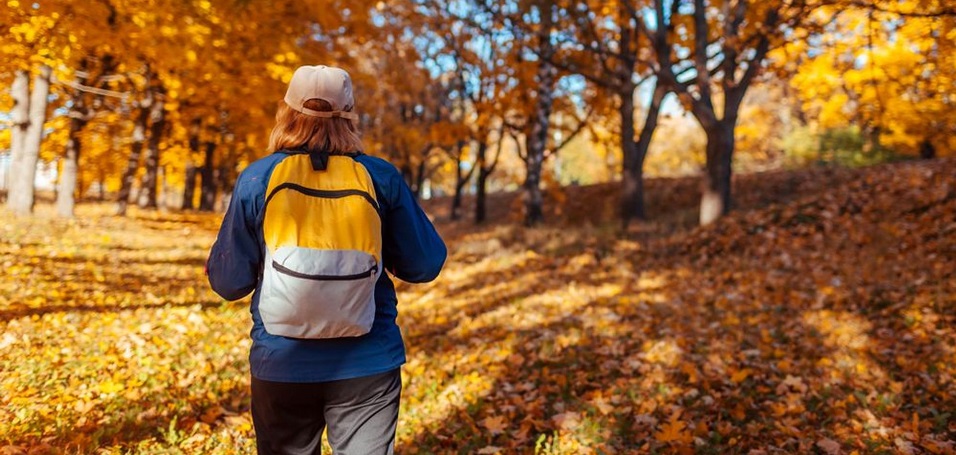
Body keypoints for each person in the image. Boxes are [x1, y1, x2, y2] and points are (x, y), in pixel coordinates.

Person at [206, 64, 446, 455]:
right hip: (367, 362)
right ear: (350, 115)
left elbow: (228, 283)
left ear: (286, 112)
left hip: (281, 362)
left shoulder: (258, 178)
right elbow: (425, 264)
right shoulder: (380, 177)